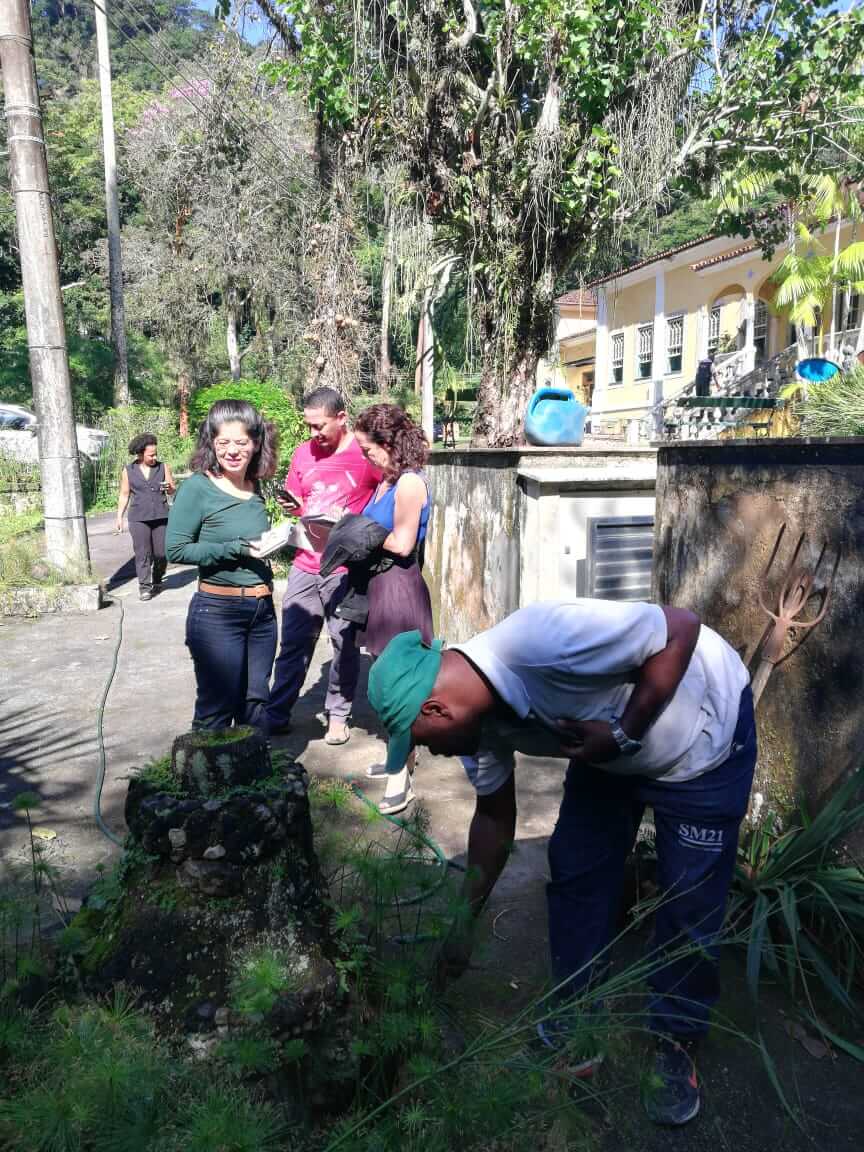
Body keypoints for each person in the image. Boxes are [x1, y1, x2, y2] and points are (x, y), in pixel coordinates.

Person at [367, 600, 756, 1126]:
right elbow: (494, 820)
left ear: (436, 709)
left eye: (418, 742)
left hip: (700, 738)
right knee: (576, 873)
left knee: (688, 900)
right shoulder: (477, 728)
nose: (428, 756)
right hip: (603, 752)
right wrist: (464, 925)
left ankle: (675, 1037)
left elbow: (682, 627)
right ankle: (577, 1013)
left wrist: (623, 731)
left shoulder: (543, 640)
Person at [267, 388, 379, 745]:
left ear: (341, 418)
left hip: (344, 570)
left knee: (343, 644)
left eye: (320, 425)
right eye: (309, 426)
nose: (314, 433)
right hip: (304, 563)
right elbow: (300, 500)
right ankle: (278, 712)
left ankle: (338, 714)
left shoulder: (364, 456)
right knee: (294, 643)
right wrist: (294, 507)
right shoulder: (303, 453)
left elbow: (385, 499)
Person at [166, 400, 278, 732]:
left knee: (256, 704)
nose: (232, 451)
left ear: (256, 443)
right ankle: (206, 783)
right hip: (218, 612)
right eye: (223, 442)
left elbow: (254, 542)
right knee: (216, 710)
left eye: (241, 442)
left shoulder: (255, 486)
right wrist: (236, 548)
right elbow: (176, 549)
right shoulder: (197, 488)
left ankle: (253, 780)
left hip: (262, 612)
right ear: (211, 443)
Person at [354, 403, 433, 815]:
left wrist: (355, 531)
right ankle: (396, 759)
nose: (366, 458)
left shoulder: (409, 484)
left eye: (369, 450)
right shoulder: (386, 482)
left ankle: (401, 782)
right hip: (380, 588)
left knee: (400, 688)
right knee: (385, 683)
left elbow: (402, 543)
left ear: (389, 444)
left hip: (399, 590)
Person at [116, 433, 175, 600]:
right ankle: (144, 587)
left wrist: (169, 488)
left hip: (161, 516)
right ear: (141, 454)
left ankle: (157, 578)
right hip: (139, 517)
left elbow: (172, 489)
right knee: (143, 553)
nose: (154, 457)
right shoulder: (129, 471)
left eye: (155, 453)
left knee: (162, 553)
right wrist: (119, 516)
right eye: (151, 455)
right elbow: (124, 494)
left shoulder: (163, 467)